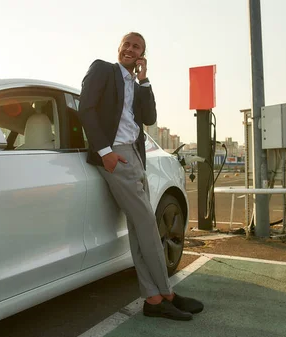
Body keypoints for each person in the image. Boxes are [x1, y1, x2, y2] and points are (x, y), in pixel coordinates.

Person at [75, 32, 203, 321]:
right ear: (119, 47)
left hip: (136, 155)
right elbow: (86, 108)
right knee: (147, 223)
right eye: (127, 44)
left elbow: (150, 117)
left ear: (143, 55)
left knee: (138, 226)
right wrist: (105, 152)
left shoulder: (137, 83)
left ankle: (154, 298)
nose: (130, 49)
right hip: (115, 154)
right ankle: (166, 293)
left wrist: (144, 80)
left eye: (137, 47)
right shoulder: (103, 70)